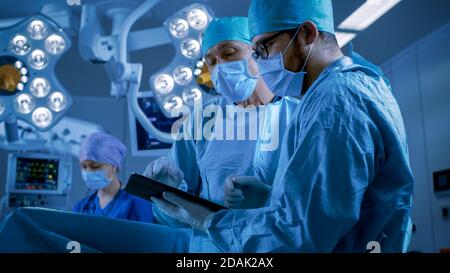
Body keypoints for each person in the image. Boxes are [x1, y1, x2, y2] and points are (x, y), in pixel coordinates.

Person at [152, 0, 414, 253]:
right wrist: (270, 199)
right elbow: (322, 208)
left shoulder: (335, 101)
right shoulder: (340, 92)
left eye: (263, 48)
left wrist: (210, 220)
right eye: (211, 61)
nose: (262, 60)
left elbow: (301, 233)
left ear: (308, 33)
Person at [144, 17, 299, 252]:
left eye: (228, 54)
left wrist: (269, 200)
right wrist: (166, 192)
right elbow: (175, 219)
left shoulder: (296, 116)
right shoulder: (203, 120)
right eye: (211, 62)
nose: (219, 67)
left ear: (258, 52)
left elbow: (314, 204)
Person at [73, 132, 153, 223]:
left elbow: (144, 236)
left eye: (95, 166)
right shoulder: (81, 207)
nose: (88, 171)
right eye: (84, 167)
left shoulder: (137, 203)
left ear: (114, 167)